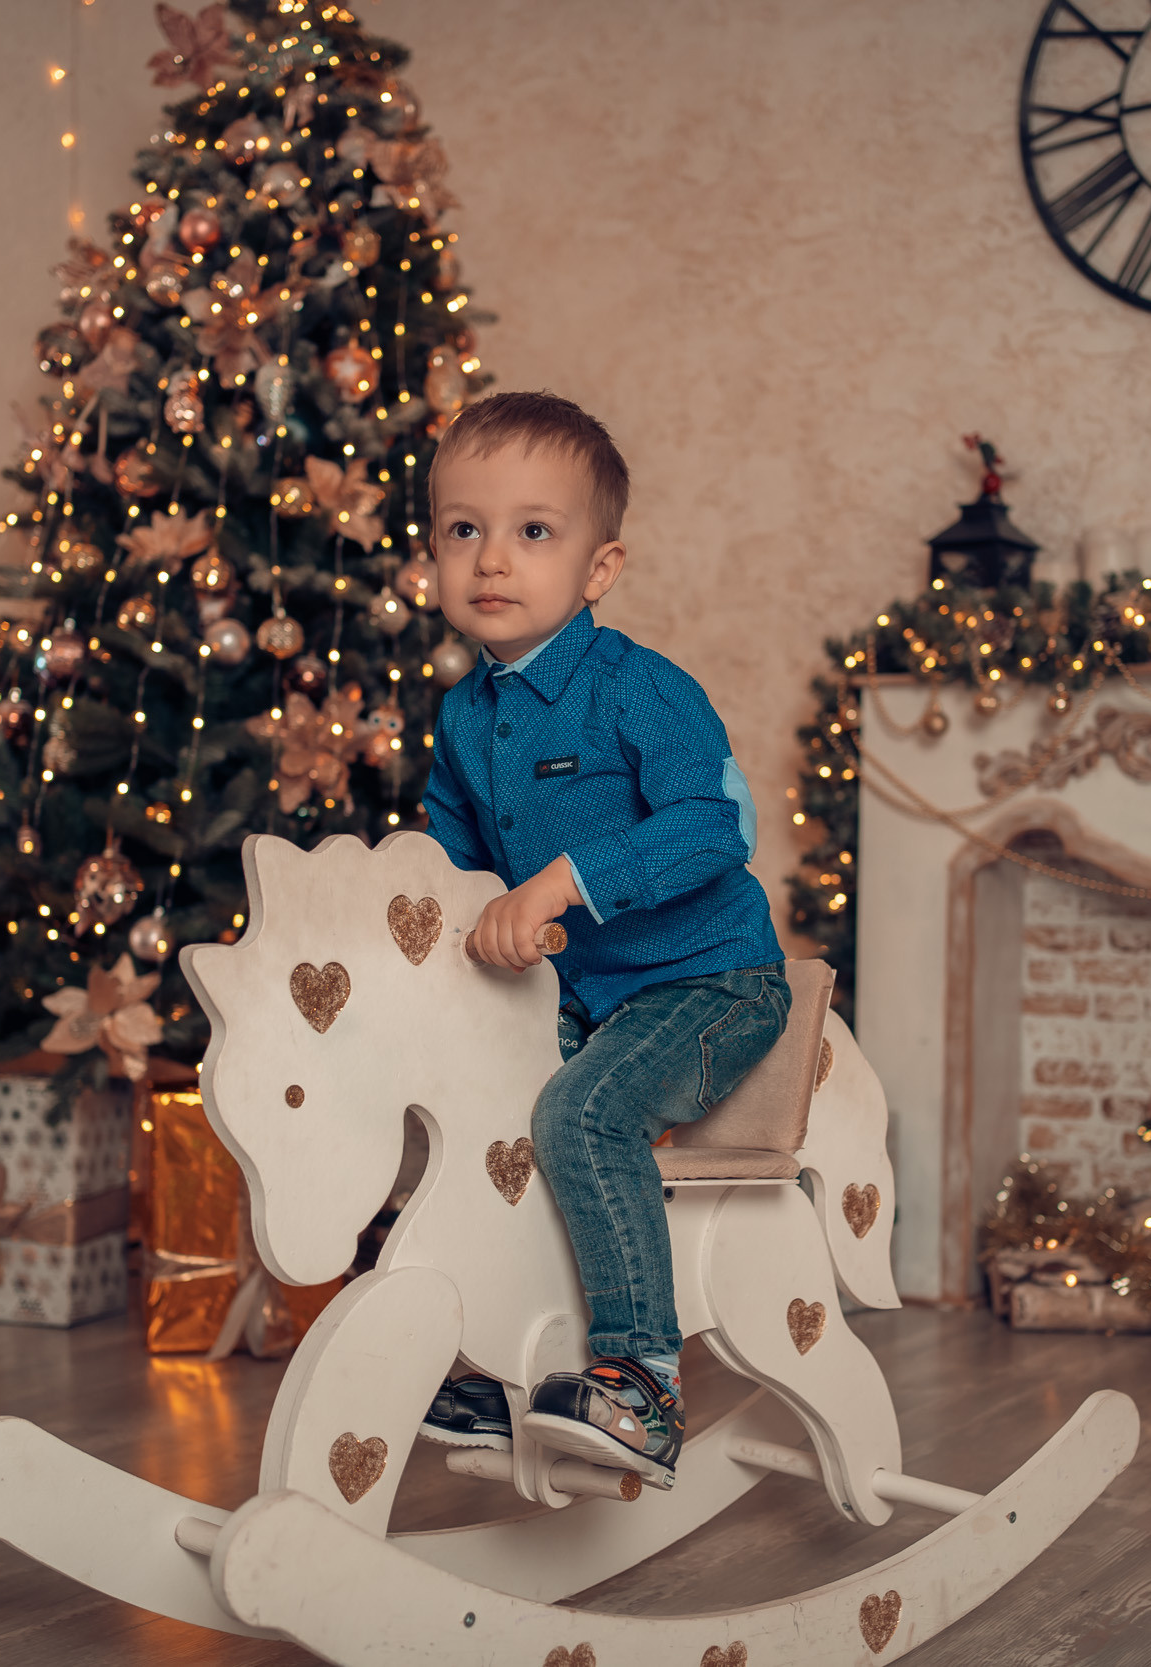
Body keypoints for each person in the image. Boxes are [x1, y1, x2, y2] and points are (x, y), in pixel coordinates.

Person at [413, 391, 789, 1487]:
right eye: (462, 528)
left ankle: (644, 1381)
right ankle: (486, 1362)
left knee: (582, 1110)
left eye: (534, 530)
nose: (492, 558)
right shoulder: (462, 718)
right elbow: (449, 863)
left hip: (705, 982)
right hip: (578, 1000)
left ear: (598, 567)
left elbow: (715, 826)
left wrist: (566, 882)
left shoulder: (639, 690)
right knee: (464, 1112)